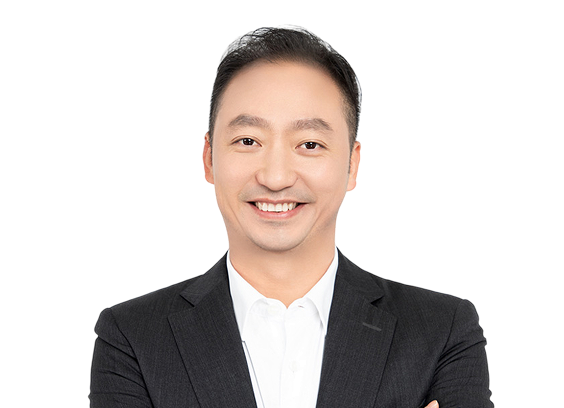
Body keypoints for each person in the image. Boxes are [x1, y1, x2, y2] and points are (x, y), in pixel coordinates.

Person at [90, 25, 492, 407]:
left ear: (353, 166)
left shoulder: (442, 330)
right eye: (248, 140)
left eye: (310, 144)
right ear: (208, 159)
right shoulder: (132, 337)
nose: (276, 177)